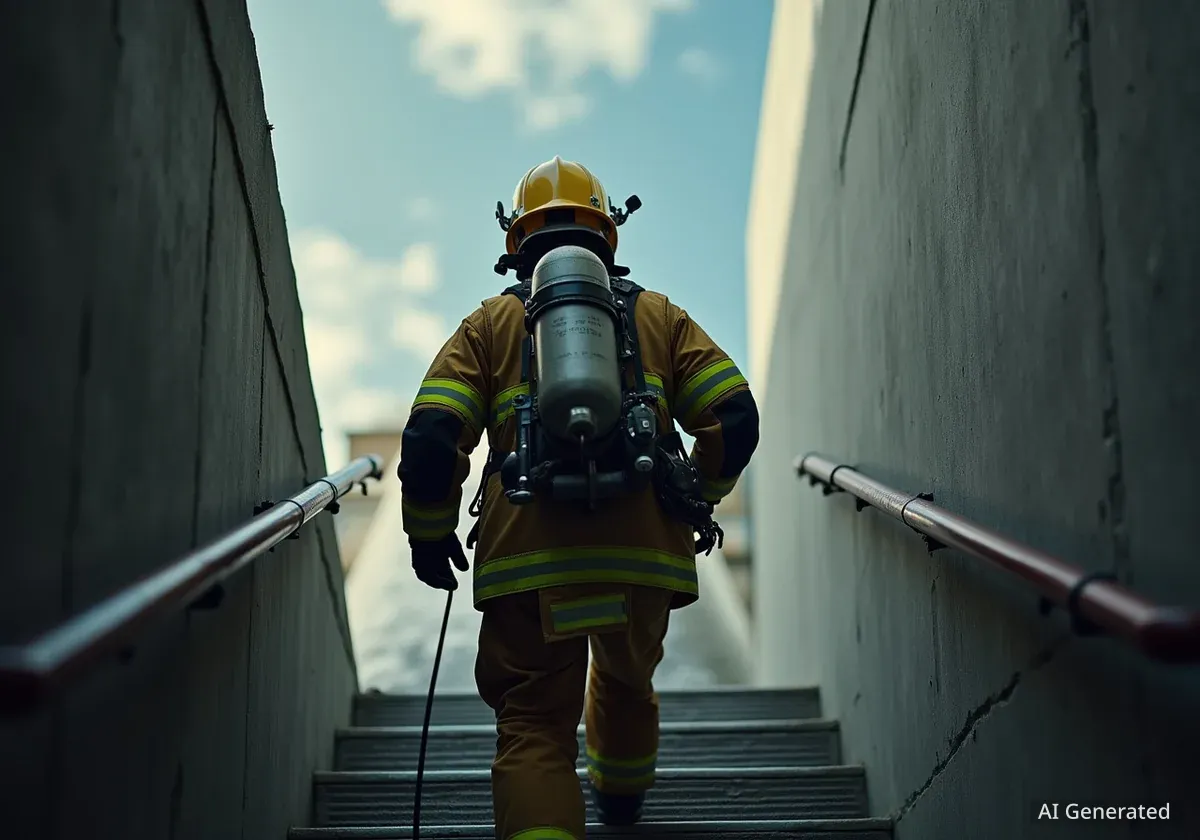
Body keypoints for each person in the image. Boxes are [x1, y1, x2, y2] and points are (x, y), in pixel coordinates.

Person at [397, 155, 760, 839]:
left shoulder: (488, 326)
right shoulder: (660, 317)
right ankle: (621, 801)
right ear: (609, 230)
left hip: (528, 555)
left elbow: (432, 433)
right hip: (643, 555)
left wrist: (429, 531)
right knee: (625, 682)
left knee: (534, 719)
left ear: (514, 239)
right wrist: (697, 500)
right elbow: (735, 417)